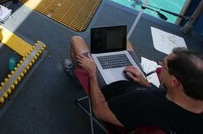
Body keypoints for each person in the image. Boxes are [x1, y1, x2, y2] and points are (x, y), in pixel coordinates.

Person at [63, 36, 203, 133]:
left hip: (108, 90)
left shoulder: (142, 105)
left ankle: (78, 76)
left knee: (77, 40)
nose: (159, 64)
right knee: (123, 41)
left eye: (163, 64)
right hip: (138, 85)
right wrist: (145, 83)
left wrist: (92, 73)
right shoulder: (194, 106)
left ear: (174, 82)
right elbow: (165, 100)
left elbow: (100, 111)